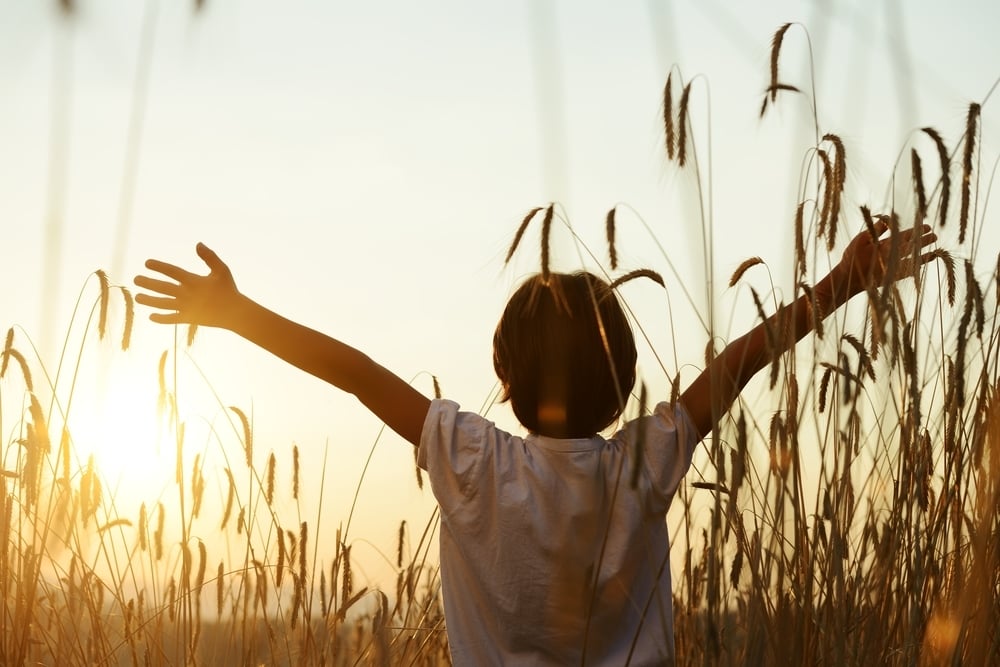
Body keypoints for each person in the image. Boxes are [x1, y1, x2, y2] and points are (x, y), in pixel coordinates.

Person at [134, 219, 937, 665]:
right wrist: (842, 284)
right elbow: (741, 363)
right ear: (624, 378)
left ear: (506, 376)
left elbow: (355, 373)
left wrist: (239, 314)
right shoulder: (642, 465)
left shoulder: (472, 458)